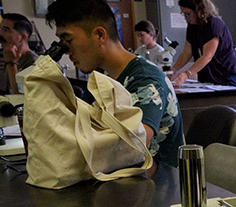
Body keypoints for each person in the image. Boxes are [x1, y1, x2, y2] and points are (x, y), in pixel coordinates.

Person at [45, 0, 184, 168]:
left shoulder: (146, 81)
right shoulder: (102, 77)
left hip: (158, 184)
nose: (66, 51)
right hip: (119, 180)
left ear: (100, 35)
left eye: (69, 40)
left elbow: (132, 150)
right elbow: (79, 125)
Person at [170, 0, 236, 87]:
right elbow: (186, 53)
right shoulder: (192, 27)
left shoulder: (214, 24)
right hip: (208, 76)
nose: (185, 18)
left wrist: (186, 74)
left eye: (188, 14)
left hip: (225, 75)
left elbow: (207, 56)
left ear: (199, 11)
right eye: (183, 14)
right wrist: (173, 70)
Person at [0, 13, 38, 94]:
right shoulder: (10, 57)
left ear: (22, 38)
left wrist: (11, 63)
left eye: (6, 30)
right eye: (0, 28)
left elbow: (22, 96)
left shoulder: (34, 63)